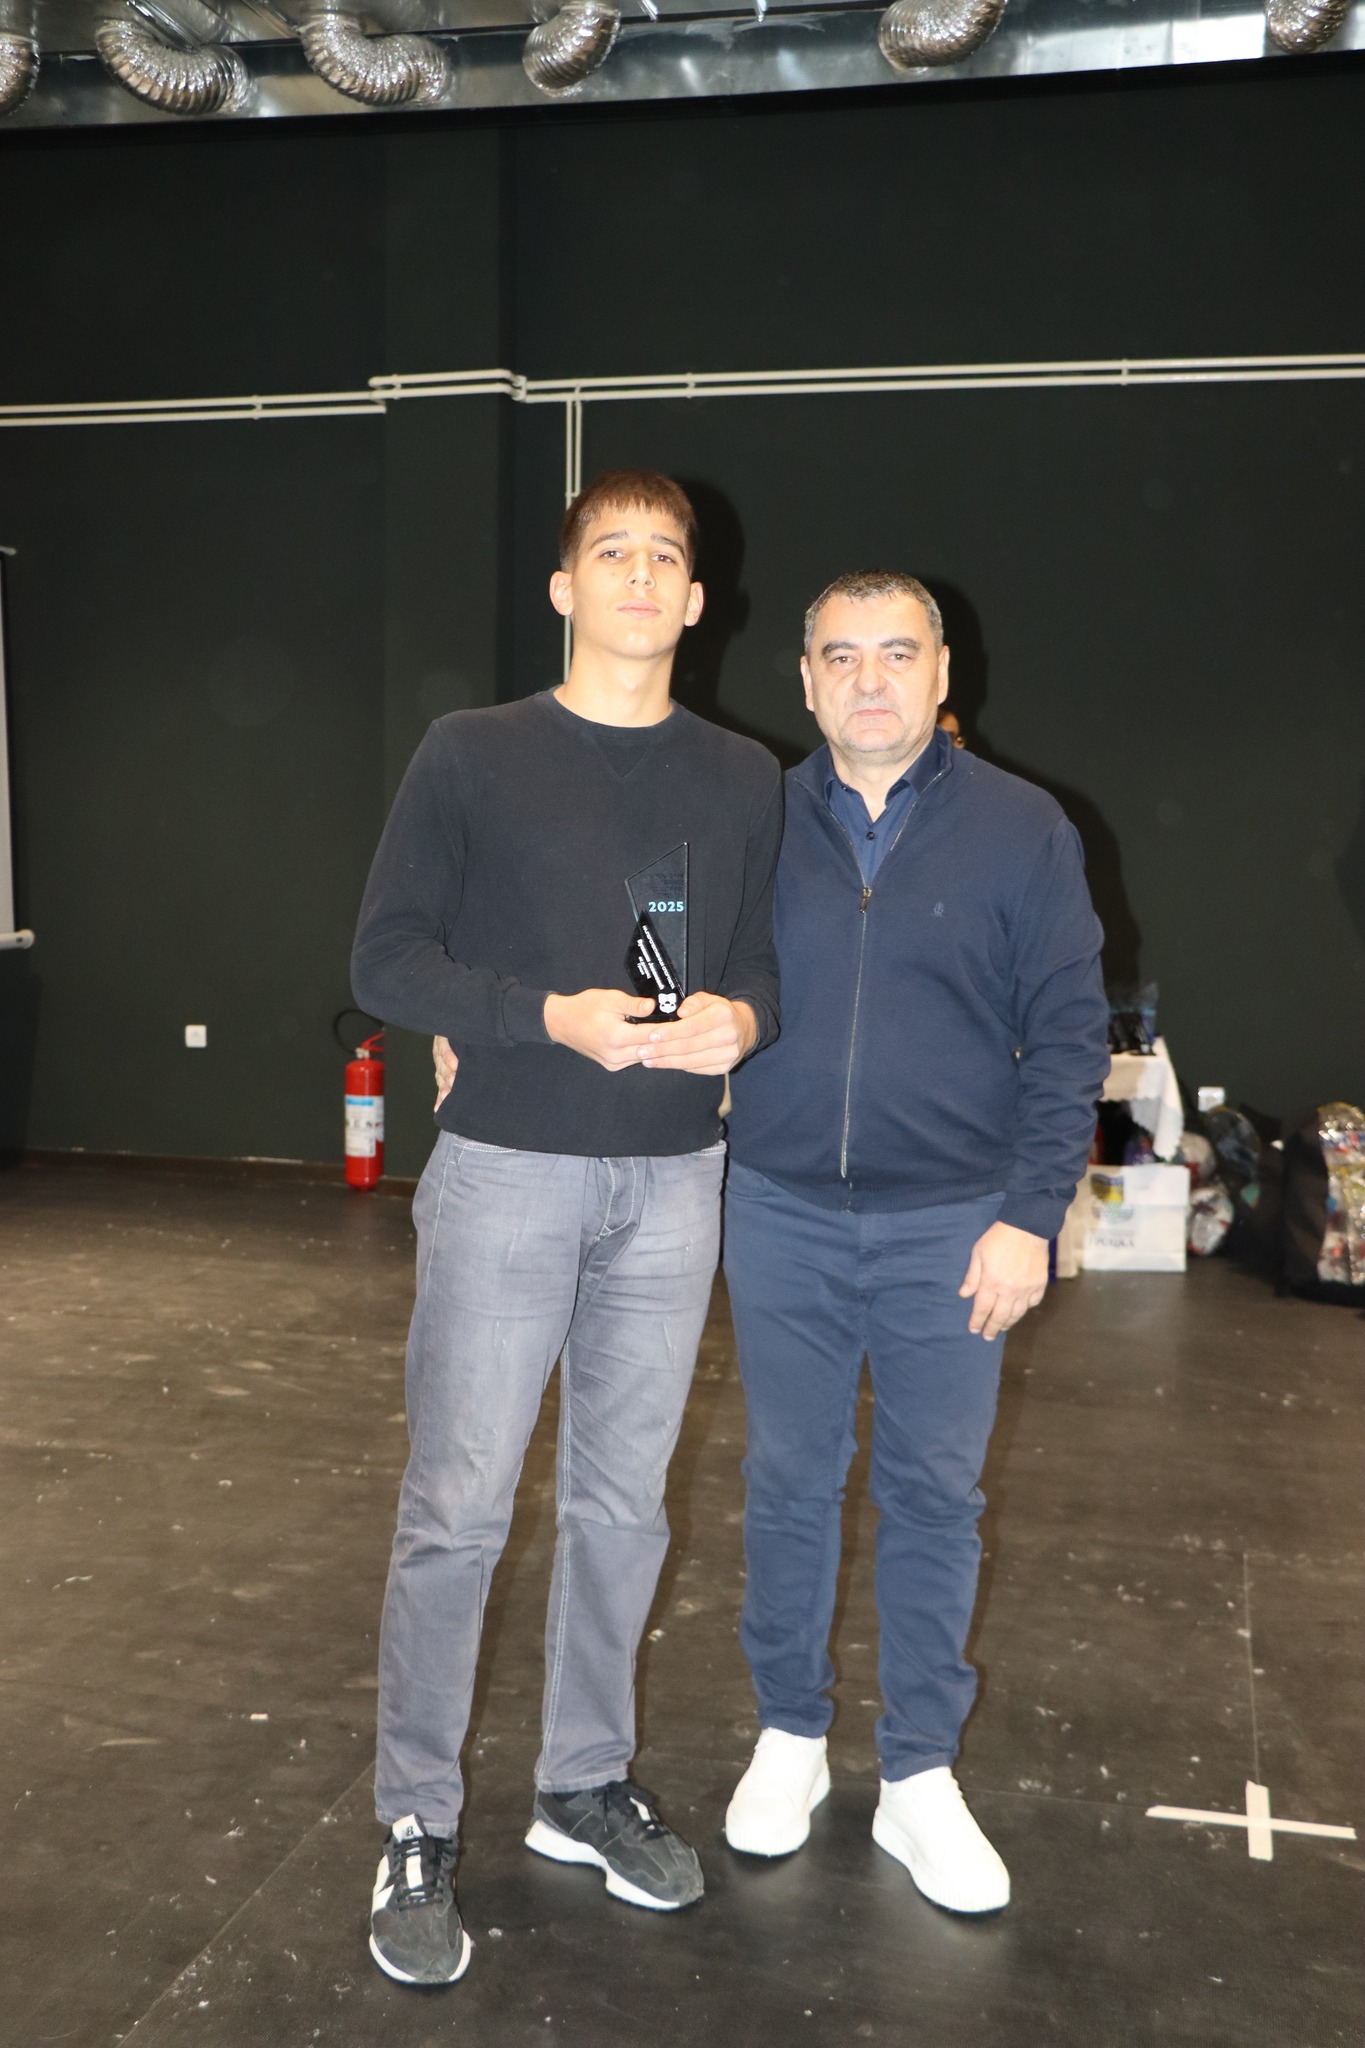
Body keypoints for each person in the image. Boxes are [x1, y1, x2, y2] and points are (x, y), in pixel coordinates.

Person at [351, 470, 781, 1986]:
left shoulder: (742, 775)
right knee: (458, 1509)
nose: (641, 576)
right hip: (508, 1173)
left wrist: (740, 1020)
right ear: (565, 588)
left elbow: (757, 964)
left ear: (698, 599)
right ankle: (416, 1820)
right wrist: (541, 1015)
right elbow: (387, 957)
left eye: (666, 557)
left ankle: (581, 1783)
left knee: (625, 1507)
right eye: (613, 553)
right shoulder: (471, 752)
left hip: (673, 1182)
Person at [719, 570, 1109, 1913]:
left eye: (897, 653)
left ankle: (919, 1775)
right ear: (807, 681)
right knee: (789, 1481)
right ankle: (787, 1736)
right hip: (778, 1209)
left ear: (944, 674)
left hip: (955, 1221)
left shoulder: (1023, 827)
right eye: (841, 656)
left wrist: (1030, 1214)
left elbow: (1071, 1034)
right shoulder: (754, 818)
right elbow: (656, 952)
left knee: (935, 1496)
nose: (869, 678)